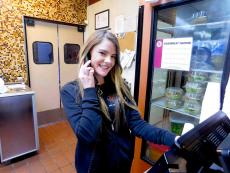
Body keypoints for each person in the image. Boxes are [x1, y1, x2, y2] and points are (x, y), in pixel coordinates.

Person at [61, 30, 176, 173]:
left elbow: (137, 124)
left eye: (113, 56)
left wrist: (174, 139)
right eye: (102, 53)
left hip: (122, 163)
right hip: (93, 168)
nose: (109, 61)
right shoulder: (71, 91)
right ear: (89, 53)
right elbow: (88, 136)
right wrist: (90, 90)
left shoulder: (120, 86)